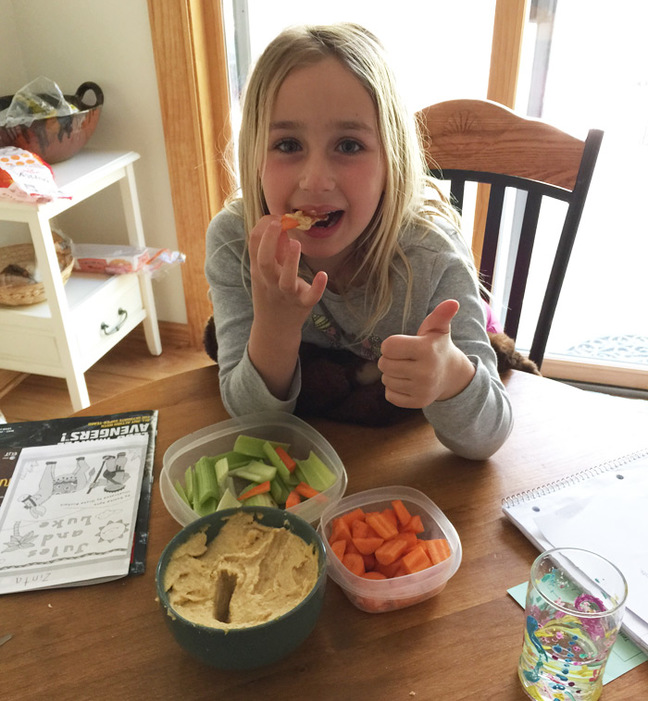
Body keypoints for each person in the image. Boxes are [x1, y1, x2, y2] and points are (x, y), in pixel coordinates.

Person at [205, 23, 512, 460]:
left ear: (392, 159)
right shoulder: (236, 244)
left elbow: (489, 437)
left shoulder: (430, 256)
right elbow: (254, 424)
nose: (315, 180)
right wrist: (274, 325)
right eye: (288, 144)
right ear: (254, 155)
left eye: (348, 146)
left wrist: (450, 378)